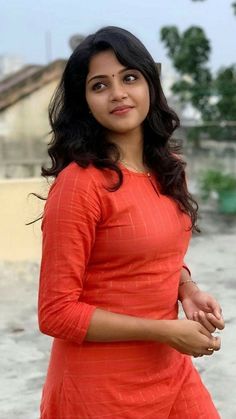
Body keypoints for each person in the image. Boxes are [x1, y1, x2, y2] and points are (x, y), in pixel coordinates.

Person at [38, 26, 225, 418]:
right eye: (99, 85)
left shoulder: (168, 169)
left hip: (170, 372)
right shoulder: (80, 185)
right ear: (85, 101)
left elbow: (155, 255)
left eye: (129, 78)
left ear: (150, 86)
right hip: (99, 388)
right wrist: (166, 331)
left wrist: (186, 290)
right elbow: (56, 312)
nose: (118, 93)